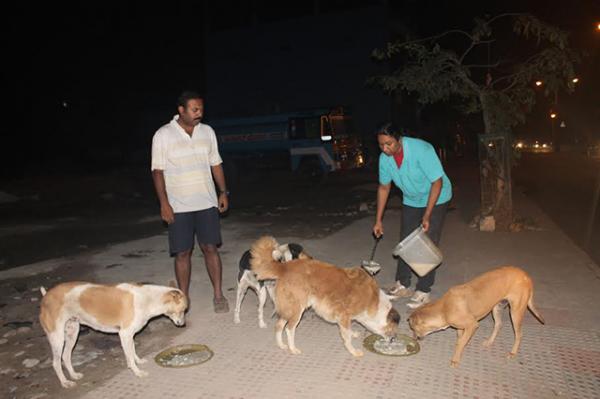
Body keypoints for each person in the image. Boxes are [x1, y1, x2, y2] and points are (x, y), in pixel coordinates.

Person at [151, 90, 230, 313]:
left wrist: (223, 192)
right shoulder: (163, 135)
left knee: (210, 248)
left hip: (206, 202)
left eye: (201, 109)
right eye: (194, 109)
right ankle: (182, 300)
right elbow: (158, 172)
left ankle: (218, 295)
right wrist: (164, 204)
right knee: (182, 253)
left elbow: (216, 163)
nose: (199, 113)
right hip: (179, 206)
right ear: (181, 110)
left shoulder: (207, 132)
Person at [372, 123, 452, 308]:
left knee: (426, 242)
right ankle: (403, 284)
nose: (385, 148)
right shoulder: (385, 159)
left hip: (437, 197)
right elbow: (384, 187)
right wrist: (378, 220)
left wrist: (427, 215)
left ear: (399, 139)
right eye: (381, 145)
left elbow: (437, 182)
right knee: (406, 241)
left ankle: (424, 289)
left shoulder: (421, 150)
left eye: (389, 143)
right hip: (412, 199)